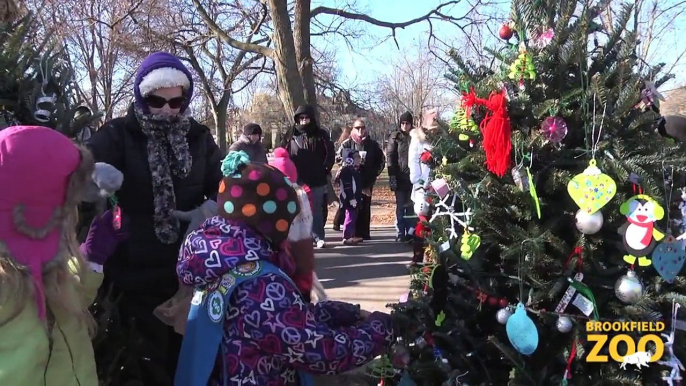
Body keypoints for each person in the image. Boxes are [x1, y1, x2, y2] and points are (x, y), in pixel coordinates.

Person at [174, 151, 393, 386]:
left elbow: (286, 317)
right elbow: (322, 352)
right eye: (287, 219)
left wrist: (347, 313)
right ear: (268, 218)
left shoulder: (222, 258)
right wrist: (383, 328)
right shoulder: (259, 285)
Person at [86, 51, 223, 384]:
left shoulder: (199, 137)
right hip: (134, 266)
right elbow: (80, 171)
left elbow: (224, 184)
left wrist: (210, 207)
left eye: (175, 103)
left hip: (188, 265)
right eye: (156, 101)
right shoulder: (118, 134)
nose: (165, 109)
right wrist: (95, 175)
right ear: (140, 96)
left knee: (186, 356)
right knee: (145, 360)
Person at [0, 126, 128, 385]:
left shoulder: (42, 266)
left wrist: (92, 258)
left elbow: (66, 303)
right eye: (66, 205)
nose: (73, 217)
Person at [281, 104, 335, 248]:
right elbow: (282, 153)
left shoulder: (321, 134)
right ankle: (299, 238)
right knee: (297, 209)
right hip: (296, 178)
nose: (304, 120)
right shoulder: (290, 134)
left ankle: (318, 237)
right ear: (297, 119)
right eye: (301, 118)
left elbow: (330, 154)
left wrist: (324, 169)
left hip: (316, 178)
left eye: (307, 118)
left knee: (316, 209)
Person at [334, 118, 385, 240]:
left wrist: (374, 174)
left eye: (362, 127)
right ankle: (350, 232)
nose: (360, 130)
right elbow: (337, 158)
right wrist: (348, 163)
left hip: (367, 180)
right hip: (351, 180)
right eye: (357, 128)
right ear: (353, 129)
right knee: (351, 205)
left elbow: (381, 161)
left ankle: (363, 233)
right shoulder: (347, 143)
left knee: (365, 206)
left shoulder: (372, 144)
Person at [387, 111, 415, 242]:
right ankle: (400, 232)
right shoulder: (395, 137)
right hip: (399, 176)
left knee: (411, 206)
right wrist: (392, 175)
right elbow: (391, 156)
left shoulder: (415, 136)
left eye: (407, 123)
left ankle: (410, 231)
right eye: (403, 123)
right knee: (400, 206)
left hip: (412, 177)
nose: (405, 125)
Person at [338, 149, 363, 245]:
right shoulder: (346, 170)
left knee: (353, 216)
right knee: (350, 216)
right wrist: (351, 198)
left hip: (354, 197)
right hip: (348, 198)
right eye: (357, 157)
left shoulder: (354, 170)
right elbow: (347, 186)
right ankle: (347, 236)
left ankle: (351, 235)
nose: (359, 159)